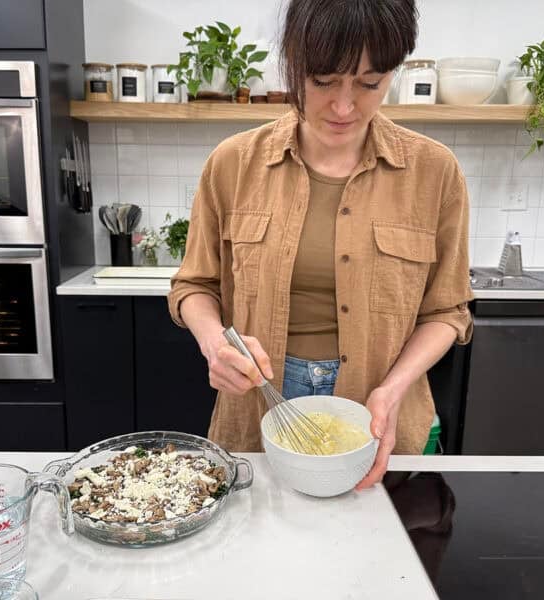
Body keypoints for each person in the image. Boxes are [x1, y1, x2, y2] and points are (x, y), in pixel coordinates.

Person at [167, 0, 473, 488]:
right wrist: (214, 344)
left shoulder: (434, 172)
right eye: (323, 81)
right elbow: (194, 286)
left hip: (379, 412)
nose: (345, 106)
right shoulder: (233, 164)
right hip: (257, 411)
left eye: (370, 84)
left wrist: (394, 390)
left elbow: (447, 312)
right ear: (293, 64)